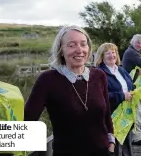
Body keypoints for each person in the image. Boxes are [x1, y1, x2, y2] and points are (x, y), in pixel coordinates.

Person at [24, 26, 115, 156]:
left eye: (83, 44)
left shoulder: (99, 76)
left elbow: (107, 115)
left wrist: (111, 144)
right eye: (71, 45)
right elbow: (27, 120)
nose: (79, 50)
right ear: (61, 50)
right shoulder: (47, 80)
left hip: (103, 152)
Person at [95, 43, 135, 156]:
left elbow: (130, 86)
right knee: (115, 148)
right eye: (108, 53)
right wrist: (122, 96)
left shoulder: (121, 70)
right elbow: (100, 96)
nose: (112, 55)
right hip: (111, 117)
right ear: (101, 56)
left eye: (113, 52)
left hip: (126, 115)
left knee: (127, 146)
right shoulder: (99, 73)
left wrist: (134, 92)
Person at [121, 34, 141, 146]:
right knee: (137, 112)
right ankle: (136, 138)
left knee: (138, 111)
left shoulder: (132, 52)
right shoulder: (132, 53)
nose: (140, 45)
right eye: (138, 42)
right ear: (132, 41)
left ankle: (138, 134)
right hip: (132, 88)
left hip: (133, 86)